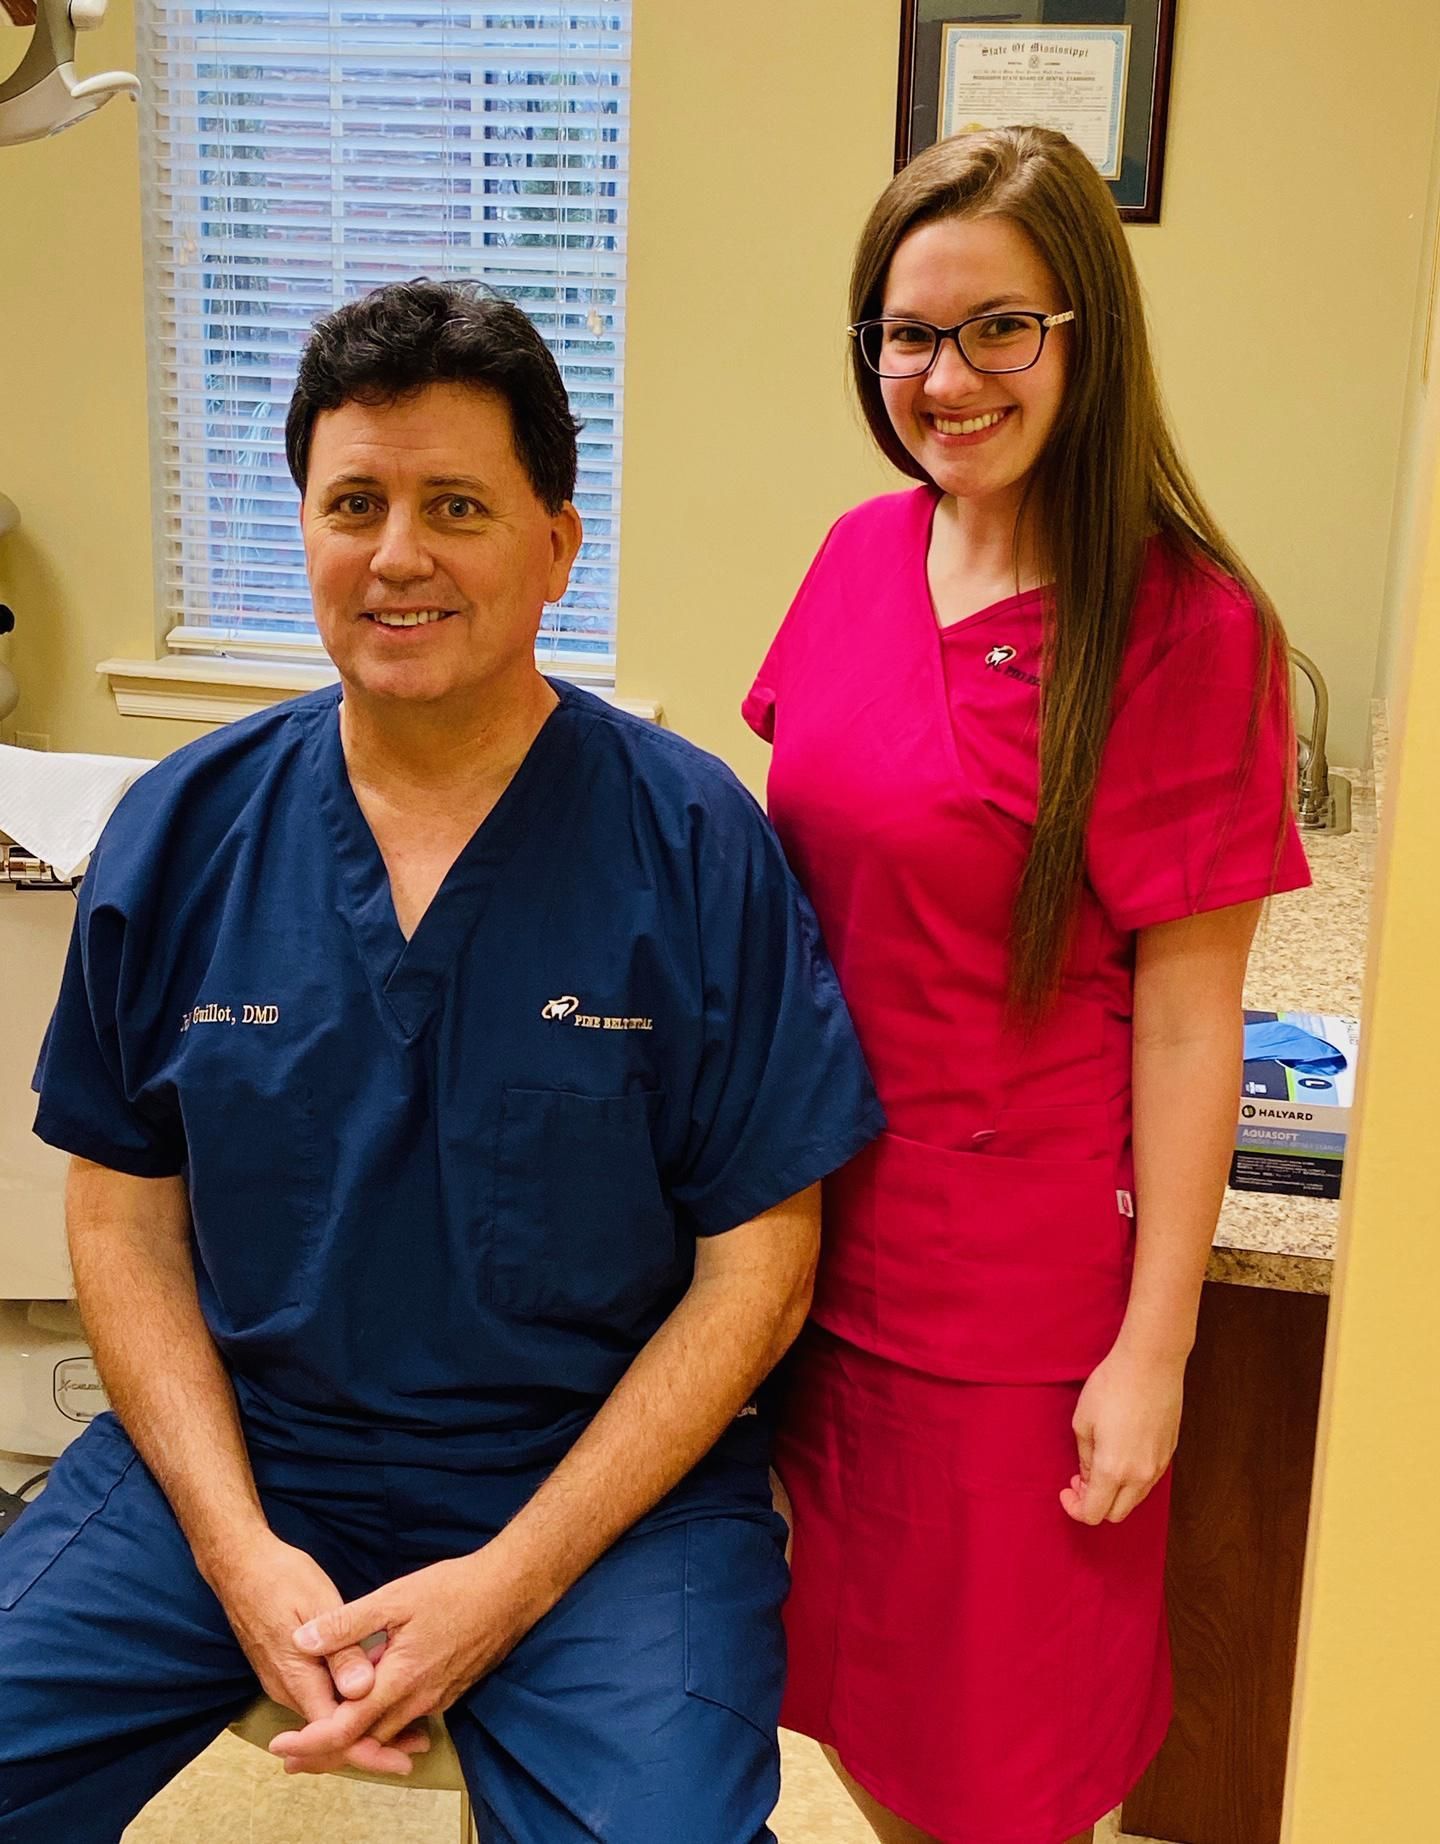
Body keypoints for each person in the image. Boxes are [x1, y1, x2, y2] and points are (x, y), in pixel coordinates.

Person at [0, 279, 883, 1844]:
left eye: (455, 504)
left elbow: (763, 1271)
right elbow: (121, 1216)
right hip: (247, 1448)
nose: (397, 553)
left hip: (600, 1488)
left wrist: (511, 1582)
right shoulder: (187, 831)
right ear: (306, 532)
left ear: (557, 542)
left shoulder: (691, 845)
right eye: (356, 503)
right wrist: (232, 1546)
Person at [743, 127, 1310, 1844]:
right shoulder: (857, 556)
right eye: (907, 334)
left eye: (1000, 327)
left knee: (990, 1783)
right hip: (798, 1267)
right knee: (836, 1710)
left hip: (1011, 1328)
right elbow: (792, 886)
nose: (946, 375)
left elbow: (1194, 1022)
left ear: (1087, 335)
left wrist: (1159, 1345)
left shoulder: (1188, 630)